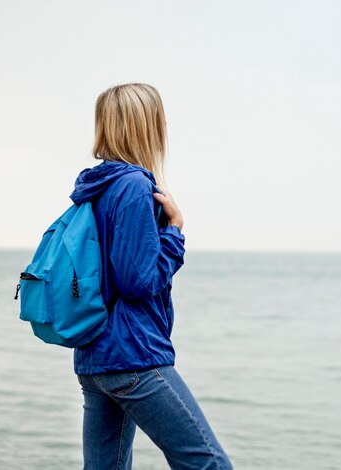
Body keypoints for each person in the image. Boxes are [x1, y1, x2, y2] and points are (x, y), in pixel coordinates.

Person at [69, 83, 233, 470]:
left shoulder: (95, 187)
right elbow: (137, 281)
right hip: (134, 356)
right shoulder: (134, 185)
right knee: (209, 465)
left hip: (95, 359)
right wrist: (174, 229)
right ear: (147, 126)